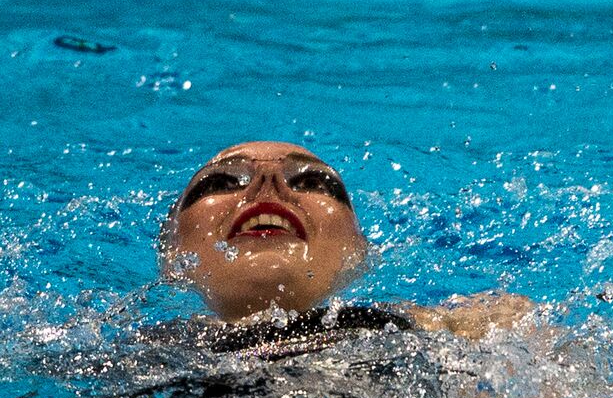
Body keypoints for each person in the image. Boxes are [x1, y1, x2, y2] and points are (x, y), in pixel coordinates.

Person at [159, 140, 534, 348]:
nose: (269, 184)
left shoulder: (460, 330)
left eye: (312, 182)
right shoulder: (140, 354)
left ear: (361, 252)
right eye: (224, 181)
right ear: (170, 252)